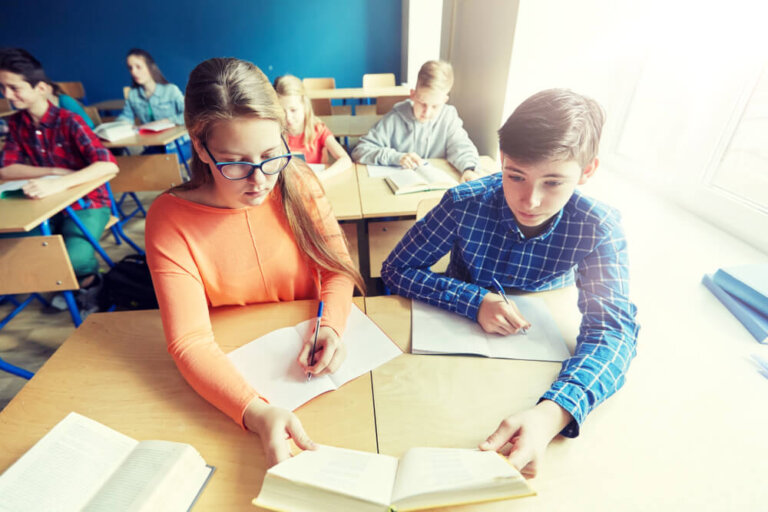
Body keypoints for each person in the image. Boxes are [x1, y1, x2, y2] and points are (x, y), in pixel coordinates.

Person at [381, 88, 639, 478]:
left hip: (542, 366)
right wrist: (473, 301)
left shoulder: (599, 228)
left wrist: (554, 412)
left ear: (587, 171)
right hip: (452, 360)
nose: (529, 200)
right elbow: (396, 269)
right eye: (515, 176)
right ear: (501, 158)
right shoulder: (464, 202)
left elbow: (614, 332)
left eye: (553, 183)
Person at [144, 57, 364, 467]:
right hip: (233, 389)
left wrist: (332, 326)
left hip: (318, 379)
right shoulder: (170, 218)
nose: (260, 180)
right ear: (200, 147)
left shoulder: (300, 182)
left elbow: (335, 269)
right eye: (235, 162)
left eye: (271, 154)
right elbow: (189, 341)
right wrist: (256, 412)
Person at [0, 47, 118, 289]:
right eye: (3, 88)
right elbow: (6, 170)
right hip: (43, 203)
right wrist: (54, 172)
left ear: (41, 88)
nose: (7, 95)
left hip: (89, 202)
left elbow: (108, 165)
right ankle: (55, 285)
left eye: (14, 88)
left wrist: (61, 183)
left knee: (74, 259)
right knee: (15, 249)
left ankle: (90, 283)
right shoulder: (16, 123)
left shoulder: (69, 120)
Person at [351, 60, 480, 182]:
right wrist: (396, 157)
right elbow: (360, 150)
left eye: (435, 106)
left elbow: (461, 146)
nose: (427, 112)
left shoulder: (448, 117)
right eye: (422, 103)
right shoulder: (395, 118)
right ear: (412, 94)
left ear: (444, 100)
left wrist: (469, 169)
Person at [273, 74, 351, 178]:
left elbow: (346, 160)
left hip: (315, 180)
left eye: (293, 110)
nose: (288, 117)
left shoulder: (318, 129)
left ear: (305, 106)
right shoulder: (275, 132)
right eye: (282, 111)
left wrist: (321, 176)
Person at [117, 48, 184, 126]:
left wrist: (167, 121)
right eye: (130, 68)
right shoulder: (133, 94)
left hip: (174, 133)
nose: (133, 72)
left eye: (138, 67)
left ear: (150, 67)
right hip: (148, 134)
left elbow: (190, 115)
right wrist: (119, 124)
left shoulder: (171, 90)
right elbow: (126, 116)